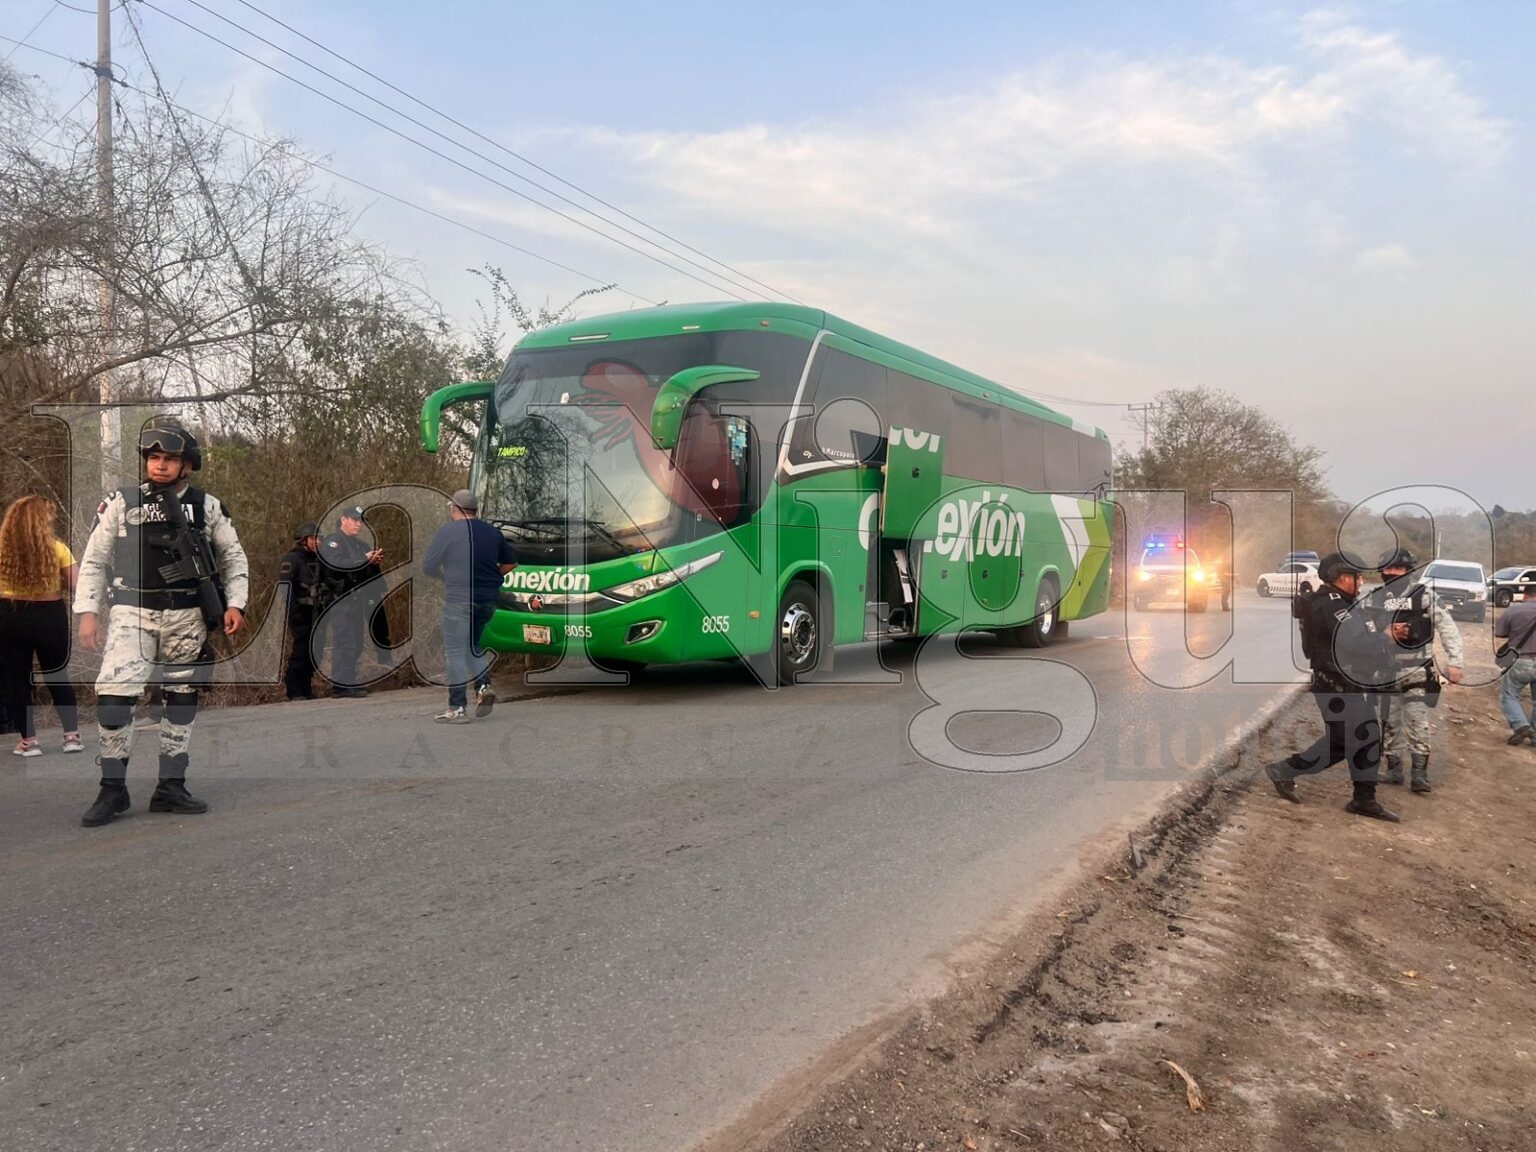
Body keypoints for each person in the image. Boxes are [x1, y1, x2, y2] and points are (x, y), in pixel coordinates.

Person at [73, 419, 249, 827]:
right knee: (115, 697)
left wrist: (235, 603)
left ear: (187, 465)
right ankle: (112, 789)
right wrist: (87, 612)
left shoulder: (206, 505)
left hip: (187, 614)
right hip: (131, 612)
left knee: (181, 698)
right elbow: (95, 559)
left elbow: (234, 557)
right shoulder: (121, 500)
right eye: (154, 457)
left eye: (171, 459)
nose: (161, 465)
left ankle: (171, 786)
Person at [1261, 550, 1405, 822]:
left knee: (1362, 737)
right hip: (1335, 686)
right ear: (1340, 577)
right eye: (1356, 576)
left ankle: (1363, 799)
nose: (1361, 581)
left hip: (1343, 684)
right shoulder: (1331, 605)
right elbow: (1355, 643)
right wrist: (1386, 638)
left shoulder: (1339, 602)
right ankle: (1286, 771)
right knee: (1350, 740)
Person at [1367, 548, 1463, 793]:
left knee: (1417, 720)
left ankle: (1419, 773)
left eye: (1397, 568)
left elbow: (1447, 626)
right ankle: (1393, 770)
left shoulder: (1424, 596)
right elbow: (1361, 630)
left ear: (1408, 570)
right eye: (1387, 569)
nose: (1391, 573)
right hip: (1385, 670)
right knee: (1389, 722)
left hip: (1417, 670)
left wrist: (1455, 662)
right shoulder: (1374, 597)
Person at [423, 489, 516, 723]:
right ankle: (483, 687)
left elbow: (428, 567)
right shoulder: (493, 533)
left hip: (459, 600)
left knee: (455, 651)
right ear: (475, 510)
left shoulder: (447, 532)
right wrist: (493, 575)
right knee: (472, 645)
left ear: (454, 509)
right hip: (487, 600)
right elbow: (511, 562)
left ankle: (457, 708)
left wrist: (445, 578)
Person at [0, 495, 83, 757]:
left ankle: (29, 741)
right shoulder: (57, 549)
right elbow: (78, 587)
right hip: (50, 616)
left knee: (17, 680)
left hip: (9, 615)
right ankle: (71, 736)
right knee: (58, 675)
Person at [319, 504, 385, 698]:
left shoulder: (360, 545)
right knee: (345, 642)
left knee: (356, 642)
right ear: (343, 519)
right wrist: (363, 560)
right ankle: (340, 685)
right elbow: (336, 565)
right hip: (340, 600)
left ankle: (349, 680)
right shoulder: (334, 542)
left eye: (361, 521)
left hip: (358, 600)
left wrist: (374, 562)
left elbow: (366, 573)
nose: (359, 524)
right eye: (355, 520)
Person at [277, 522, 323, 701]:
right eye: (313, 539)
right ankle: (294, 689)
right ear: (303, 541)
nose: (317, 542)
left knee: (315, 651)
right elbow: (285, 587)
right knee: (302, 650)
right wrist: (293, 612)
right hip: (300, 612)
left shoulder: (319, 559)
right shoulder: (292, 559)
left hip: (317, 611)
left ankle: (306, 687)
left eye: (319, 539)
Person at [1495, 592, 1536, 746]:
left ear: (1525, 595)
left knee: (1509, 695)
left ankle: (1521, 725)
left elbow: (1499, 633)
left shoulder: (1514, 610)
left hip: (1520, 660)